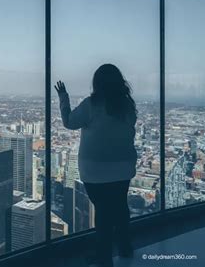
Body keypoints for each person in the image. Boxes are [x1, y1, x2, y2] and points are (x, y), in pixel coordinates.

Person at [55, 64, 137, 267]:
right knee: (120, 207)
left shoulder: (92, 105)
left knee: (103, 212)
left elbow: (69, 122)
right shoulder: (127, 106)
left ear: (97, 84)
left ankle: (104, 257)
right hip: (123, 168)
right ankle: (125, 247)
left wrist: (63, 98)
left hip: (95, 171)